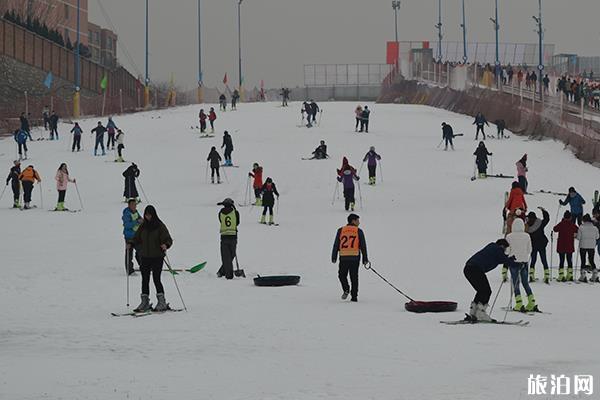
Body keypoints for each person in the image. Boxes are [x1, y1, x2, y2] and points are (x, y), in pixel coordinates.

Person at [130, 205, 173, 312]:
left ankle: (161, 302)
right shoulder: (143, 226)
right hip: (145, 256)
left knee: (156, 278)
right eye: (146, 215)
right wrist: (131, 243)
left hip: (157, 256)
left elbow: (168, 239)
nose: (148, 217)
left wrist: (166, 245)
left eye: (149, 215)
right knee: (145, 279)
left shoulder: (160, 226)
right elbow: (137, 238)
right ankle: (145, 302)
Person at [463, 239, 518, 322]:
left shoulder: (493, 248)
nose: (505, 251)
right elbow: (502, 259)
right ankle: (480, 314)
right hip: (475, 269)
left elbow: (500, 259)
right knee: (487, 291)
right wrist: (516, 264)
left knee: (481, 291)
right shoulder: (497, 249)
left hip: (468, 269)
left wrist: (509, 259)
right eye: (505, 249)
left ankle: (473, 313)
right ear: (502, 246)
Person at [331, 213, 369, 302]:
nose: (359, 222)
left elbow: (336, 244)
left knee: (341, 275)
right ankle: (354, 296)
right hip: (355, 258)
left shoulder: (341, 230)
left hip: (343, 257)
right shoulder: (358, 231)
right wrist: (365, 258)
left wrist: (334, 256)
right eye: (358, 220)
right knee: (354, 277)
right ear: (353, 221)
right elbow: (363, 246)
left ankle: (346, 289)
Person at [506, 218, 538, 312]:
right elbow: (530, 250)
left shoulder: (509, 236)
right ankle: (531, 301)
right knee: (525, 283)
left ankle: (519, 303)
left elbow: (507, 251)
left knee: (515, 283)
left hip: (513, 262)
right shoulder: (527, 236)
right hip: (524, 262)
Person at [217, 198, 240, 279]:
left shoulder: (220, 213)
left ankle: (222, 271)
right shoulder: (235, 212)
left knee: (226, 256)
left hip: (224, 236)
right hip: (233, 236)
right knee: (232, 255)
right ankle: (228, 274)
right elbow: (237, 222)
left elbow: (220, 221)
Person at [526, 207, 550, 283]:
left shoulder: (527, 227)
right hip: (542, 244)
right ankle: (546, 275)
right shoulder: (540, 223)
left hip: (533, 245)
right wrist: (544, 211)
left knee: (533, 260)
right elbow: (547, 219)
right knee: (544, 260)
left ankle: (531, 275)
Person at [553, 210, 578, 282]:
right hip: (569, 245)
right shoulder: (572, 224)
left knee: (561, 260)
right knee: (569, 260)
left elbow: (555, 229)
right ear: (570, 217)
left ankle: (561, 275)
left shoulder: (561, 223)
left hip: (561, 245)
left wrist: (561, 221)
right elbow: (577, 230)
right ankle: (570, 275)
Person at [122, 198, 143, 275]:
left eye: (135, 205)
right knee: (129, 253)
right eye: (132, 205)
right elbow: (127, 225)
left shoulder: (136, 212)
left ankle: (143, 266)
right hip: (129, 237)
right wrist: (137, 222)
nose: (134, 206)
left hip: (137, 236)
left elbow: (140, 219)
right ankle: (130, 271)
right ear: (129, 205)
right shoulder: (126, 213)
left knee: (141, 251)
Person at [577, 214, 599, 283]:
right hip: (592, 246)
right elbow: (597, 237)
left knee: (583, 260)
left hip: (583, 246)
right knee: (591, 260)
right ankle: (594, 275)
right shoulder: (595, 228)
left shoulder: (581, 227)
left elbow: (578, 237)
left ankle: (583, 276)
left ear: (584, 220)